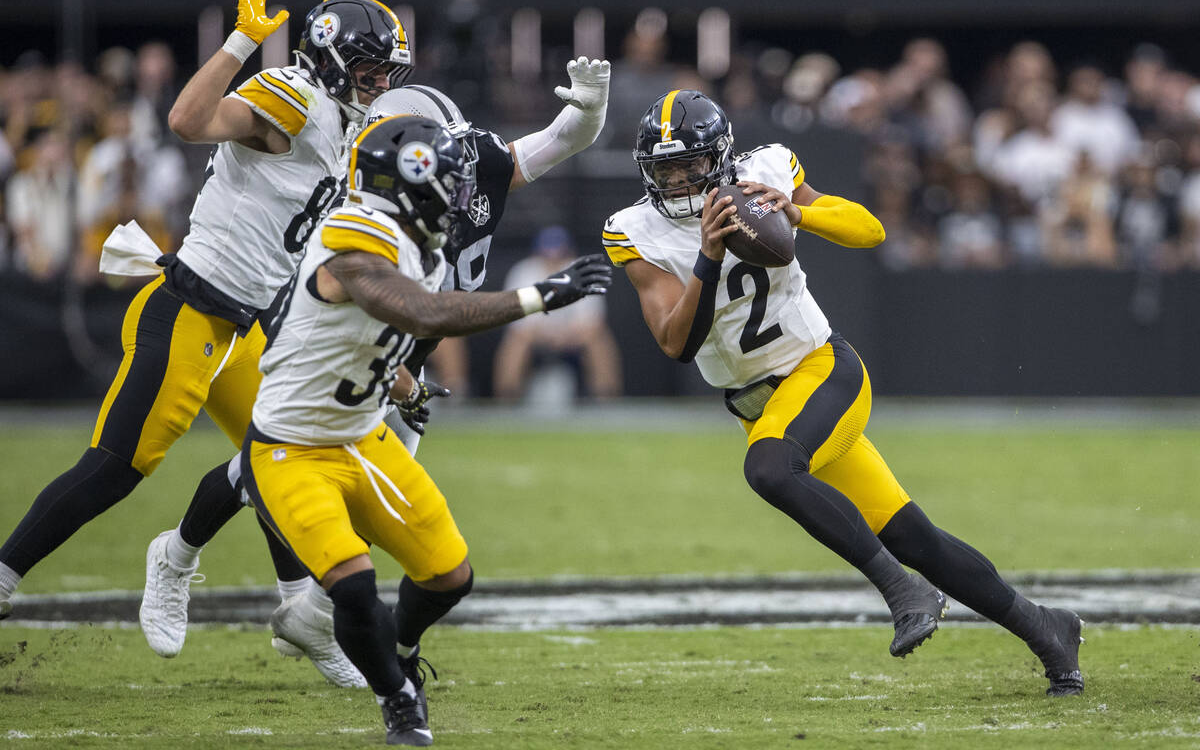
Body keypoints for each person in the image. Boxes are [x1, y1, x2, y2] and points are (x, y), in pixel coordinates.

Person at [138, 62, 611, 682]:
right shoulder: (352, 207)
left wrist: (593, 107)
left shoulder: (478, 164)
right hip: (341, 348)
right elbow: (370, 302)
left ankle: (312, 613)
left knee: (388, 494)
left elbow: (560, 140)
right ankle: (178, 556)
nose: (438, 171)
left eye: (442, 155)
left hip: (408, 346)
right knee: (264, 467)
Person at [601, 89, 1084, 696]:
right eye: (664, 170)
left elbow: (870, 230)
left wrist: (799, 213)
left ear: (720, 157)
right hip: (761, 402)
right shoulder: (632, 230)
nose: (676, 182)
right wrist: (706, 257)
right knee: (914, 536)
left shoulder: (768, 170)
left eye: (690, 166)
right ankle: (1047, 630)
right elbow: (675, 341)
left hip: (822, 369)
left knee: (770, 469)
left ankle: (902, 590)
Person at [0, 0, 410, 676]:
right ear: (336, 59)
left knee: (287, 463)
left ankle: (298, 617)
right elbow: (188, 120)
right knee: (116, 467)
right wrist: (242, 41)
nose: (381, 82)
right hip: (191, 306)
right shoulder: (297, 97)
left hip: (252, 322)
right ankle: (4, 578)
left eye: (387, 71)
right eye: (372, 68)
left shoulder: (347, 127)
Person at [241, 114, 609, 745]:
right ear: (411, 181)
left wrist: (401, 383)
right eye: (452, 180)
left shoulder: (422, 245)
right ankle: (399, 702)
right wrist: (538, 297)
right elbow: (417, 310)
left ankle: (402, 650)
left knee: (450, 576)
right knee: (354, 587)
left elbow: (372, 336)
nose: (465, 195)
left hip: (363, 436)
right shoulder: (354, 231)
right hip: (292, 448)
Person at [493, 226, 622, 402]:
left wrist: (564, 337)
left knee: (599, 339)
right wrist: (546, 336)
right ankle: (506, 398)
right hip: (535, 337)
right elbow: (518, 323)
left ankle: (606, 398)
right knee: (516, 340)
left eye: (558, 255)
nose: (553, 261)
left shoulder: (581, 271)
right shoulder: (524, 271)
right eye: (548, 255)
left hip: (571, 338)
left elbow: (592, 323)